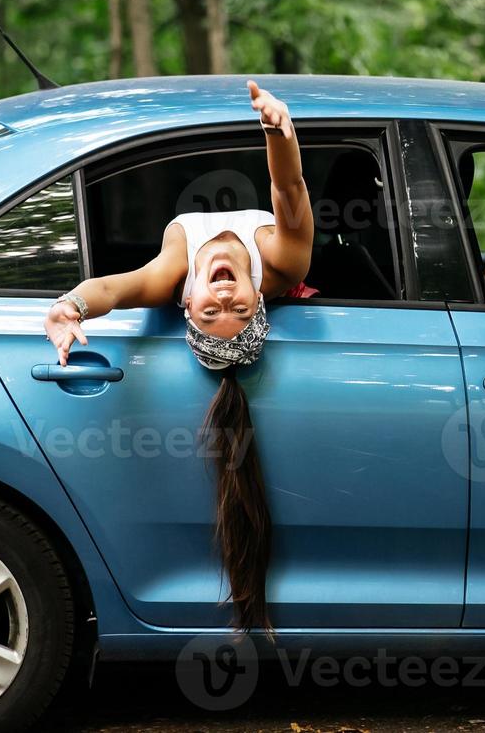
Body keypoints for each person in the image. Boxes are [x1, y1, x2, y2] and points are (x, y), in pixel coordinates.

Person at [42, 80, 313, 634]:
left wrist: (69, 307)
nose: (223, 301)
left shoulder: (174, 272)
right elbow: (289, 189)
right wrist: (276, 128)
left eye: (209, 315)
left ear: (185, 301)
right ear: (260, 298)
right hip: (275, 142)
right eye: (236, 310)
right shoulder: (282, 264)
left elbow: (114, 290)